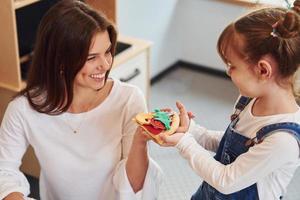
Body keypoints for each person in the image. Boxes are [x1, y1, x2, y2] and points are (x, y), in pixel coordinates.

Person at [0, 1, 162, 200]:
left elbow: (135, 186)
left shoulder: (129, 99)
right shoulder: (24, 109)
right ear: (60, 61)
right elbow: (3, 169)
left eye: (107, 52)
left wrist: (140, 142)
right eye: (91, 57)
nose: (105, 64)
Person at [157, 1, 300, 199]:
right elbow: (230, 146)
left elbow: (227, 180)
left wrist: (184, 143)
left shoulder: (283, 140)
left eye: (232, 65)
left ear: (263, 70)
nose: (228, 71)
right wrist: (192, 130)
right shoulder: (249, 100)